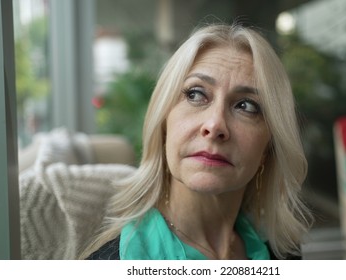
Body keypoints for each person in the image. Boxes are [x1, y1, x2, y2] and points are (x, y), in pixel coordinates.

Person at [80, 22, 312, 260]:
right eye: (195, 94)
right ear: (163, 125)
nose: (215, 125)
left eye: (246, 106)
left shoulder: (283, 253)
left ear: (268, 148)